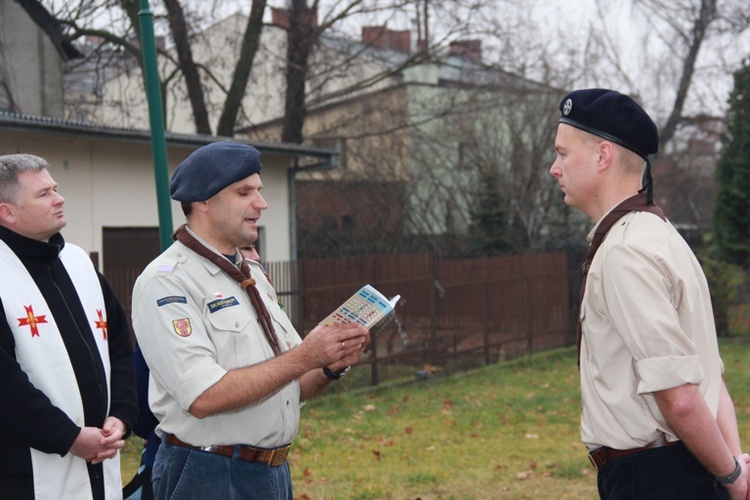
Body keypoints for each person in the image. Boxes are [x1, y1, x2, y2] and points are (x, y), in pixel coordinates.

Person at [131, 141, 369, 499]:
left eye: (259, 190)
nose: (261, 203)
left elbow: (289, 385)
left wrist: (328, 365)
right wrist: (306, 356)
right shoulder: (167, 280)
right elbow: (203, 396)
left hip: (270, 473)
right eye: (245, 192)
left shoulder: (250, 272)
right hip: (206, 474)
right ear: (202, 201)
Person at [549, 89, 750, 499]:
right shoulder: (661, 236)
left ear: (603, 156)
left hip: (656, 479)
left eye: (563, 154)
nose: (555, 168)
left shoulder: (625, 252)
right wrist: (732, 464)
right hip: (683, 468)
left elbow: (679, 398)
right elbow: (711, 374)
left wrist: (732, 476)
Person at [0, 154, 138, 499]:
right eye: (44, 194)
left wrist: (121, 415)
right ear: (7, 213)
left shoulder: (78, 262)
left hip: (100, 462)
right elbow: (4, 384)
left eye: (55, 188)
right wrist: (68, 437)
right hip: (25, 474)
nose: (59, 199)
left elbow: (119, 346)